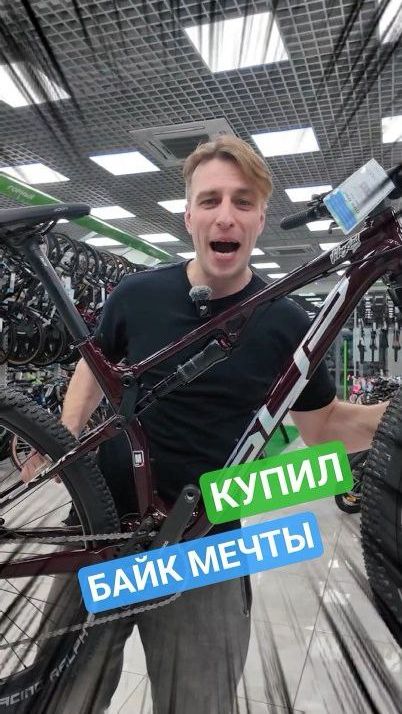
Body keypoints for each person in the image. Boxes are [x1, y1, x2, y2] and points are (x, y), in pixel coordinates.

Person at [21, 134, 388, 713]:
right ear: (188, 215)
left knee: (198, 702)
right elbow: (94, 368)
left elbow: (324, 428)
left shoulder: (288, 322)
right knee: (57, 700)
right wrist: (62, 442)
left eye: (243, 201)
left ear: (260, 218)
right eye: (210, 200)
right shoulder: (137, 295)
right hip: (100, 525)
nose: (225, 215)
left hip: (203, 545)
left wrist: (393, 416)